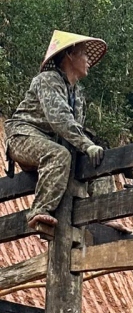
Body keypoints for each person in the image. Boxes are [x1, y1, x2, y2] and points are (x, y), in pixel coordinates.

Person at [7, 31, 107, 238]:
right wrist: (86, 144)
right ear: (70, 55)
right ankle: (39, 210)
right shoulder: (47, 80)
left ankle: (107, 213)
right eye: (84, 54)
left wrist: (86, 148)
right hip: (23, 136)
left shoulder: (78, 94)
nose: (88, 60)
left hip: (51, 141)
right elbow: (60, 119)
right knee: (59, 155)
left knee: (91, 159)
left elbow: (74, 128)